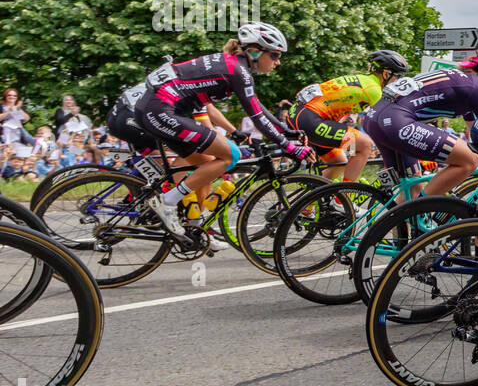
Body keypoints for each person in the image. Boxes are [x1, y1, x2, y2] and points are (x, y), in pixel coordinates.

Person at [130, 22, 312, 237]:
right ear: (255, 51)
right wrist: (289, 147)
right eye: (274, 55)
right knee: (231, 155)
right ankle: (167, 202)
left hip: (154, 108)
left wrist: (284, 130)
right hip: (160, 109)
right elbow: (256, 118)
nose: (277, 62)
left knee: (208, 167)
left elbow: (257, 106)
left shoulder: (235, 66)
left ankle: (195, 228)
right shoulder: (238, 71)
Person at [364, 45, 478, 197]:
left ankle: (392, 223)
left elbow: (474, 131)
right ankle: (419, 209)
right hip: (395, 121)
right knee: (469, 160)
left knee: (412, 187)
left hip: (376, 119)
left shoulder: (469, 82)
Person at [289, 50, 408, 180]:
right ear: (386, 74)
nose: (398, 81)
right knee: (365, 145)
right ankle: (347, 195)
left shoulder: (364, 80)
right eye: (399, 77)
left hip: (301, 115)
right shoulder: (373, 90)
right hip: (310, 119)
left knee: (339, 162)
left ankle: (313, 197)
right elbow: (390, 117)